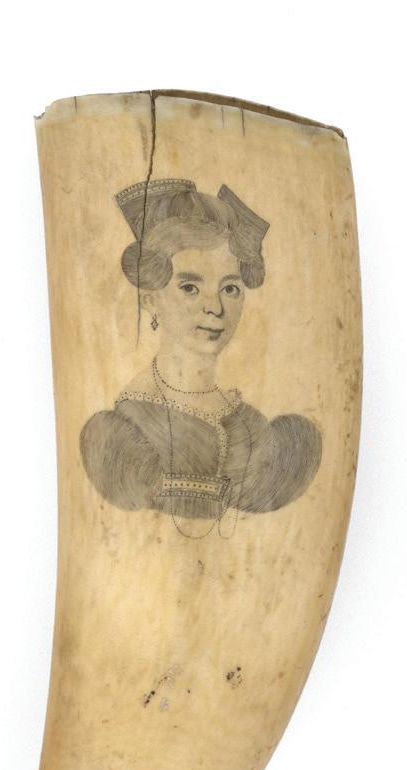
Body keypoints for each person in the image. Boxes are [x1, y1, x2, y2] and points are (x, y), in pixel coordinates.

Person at [80, 178, 322, 538]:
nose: (215, 308)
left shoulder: (252, 425)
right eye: (190, 287)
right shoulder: (124, 431)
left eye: (230, 288)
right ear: (150, 298)